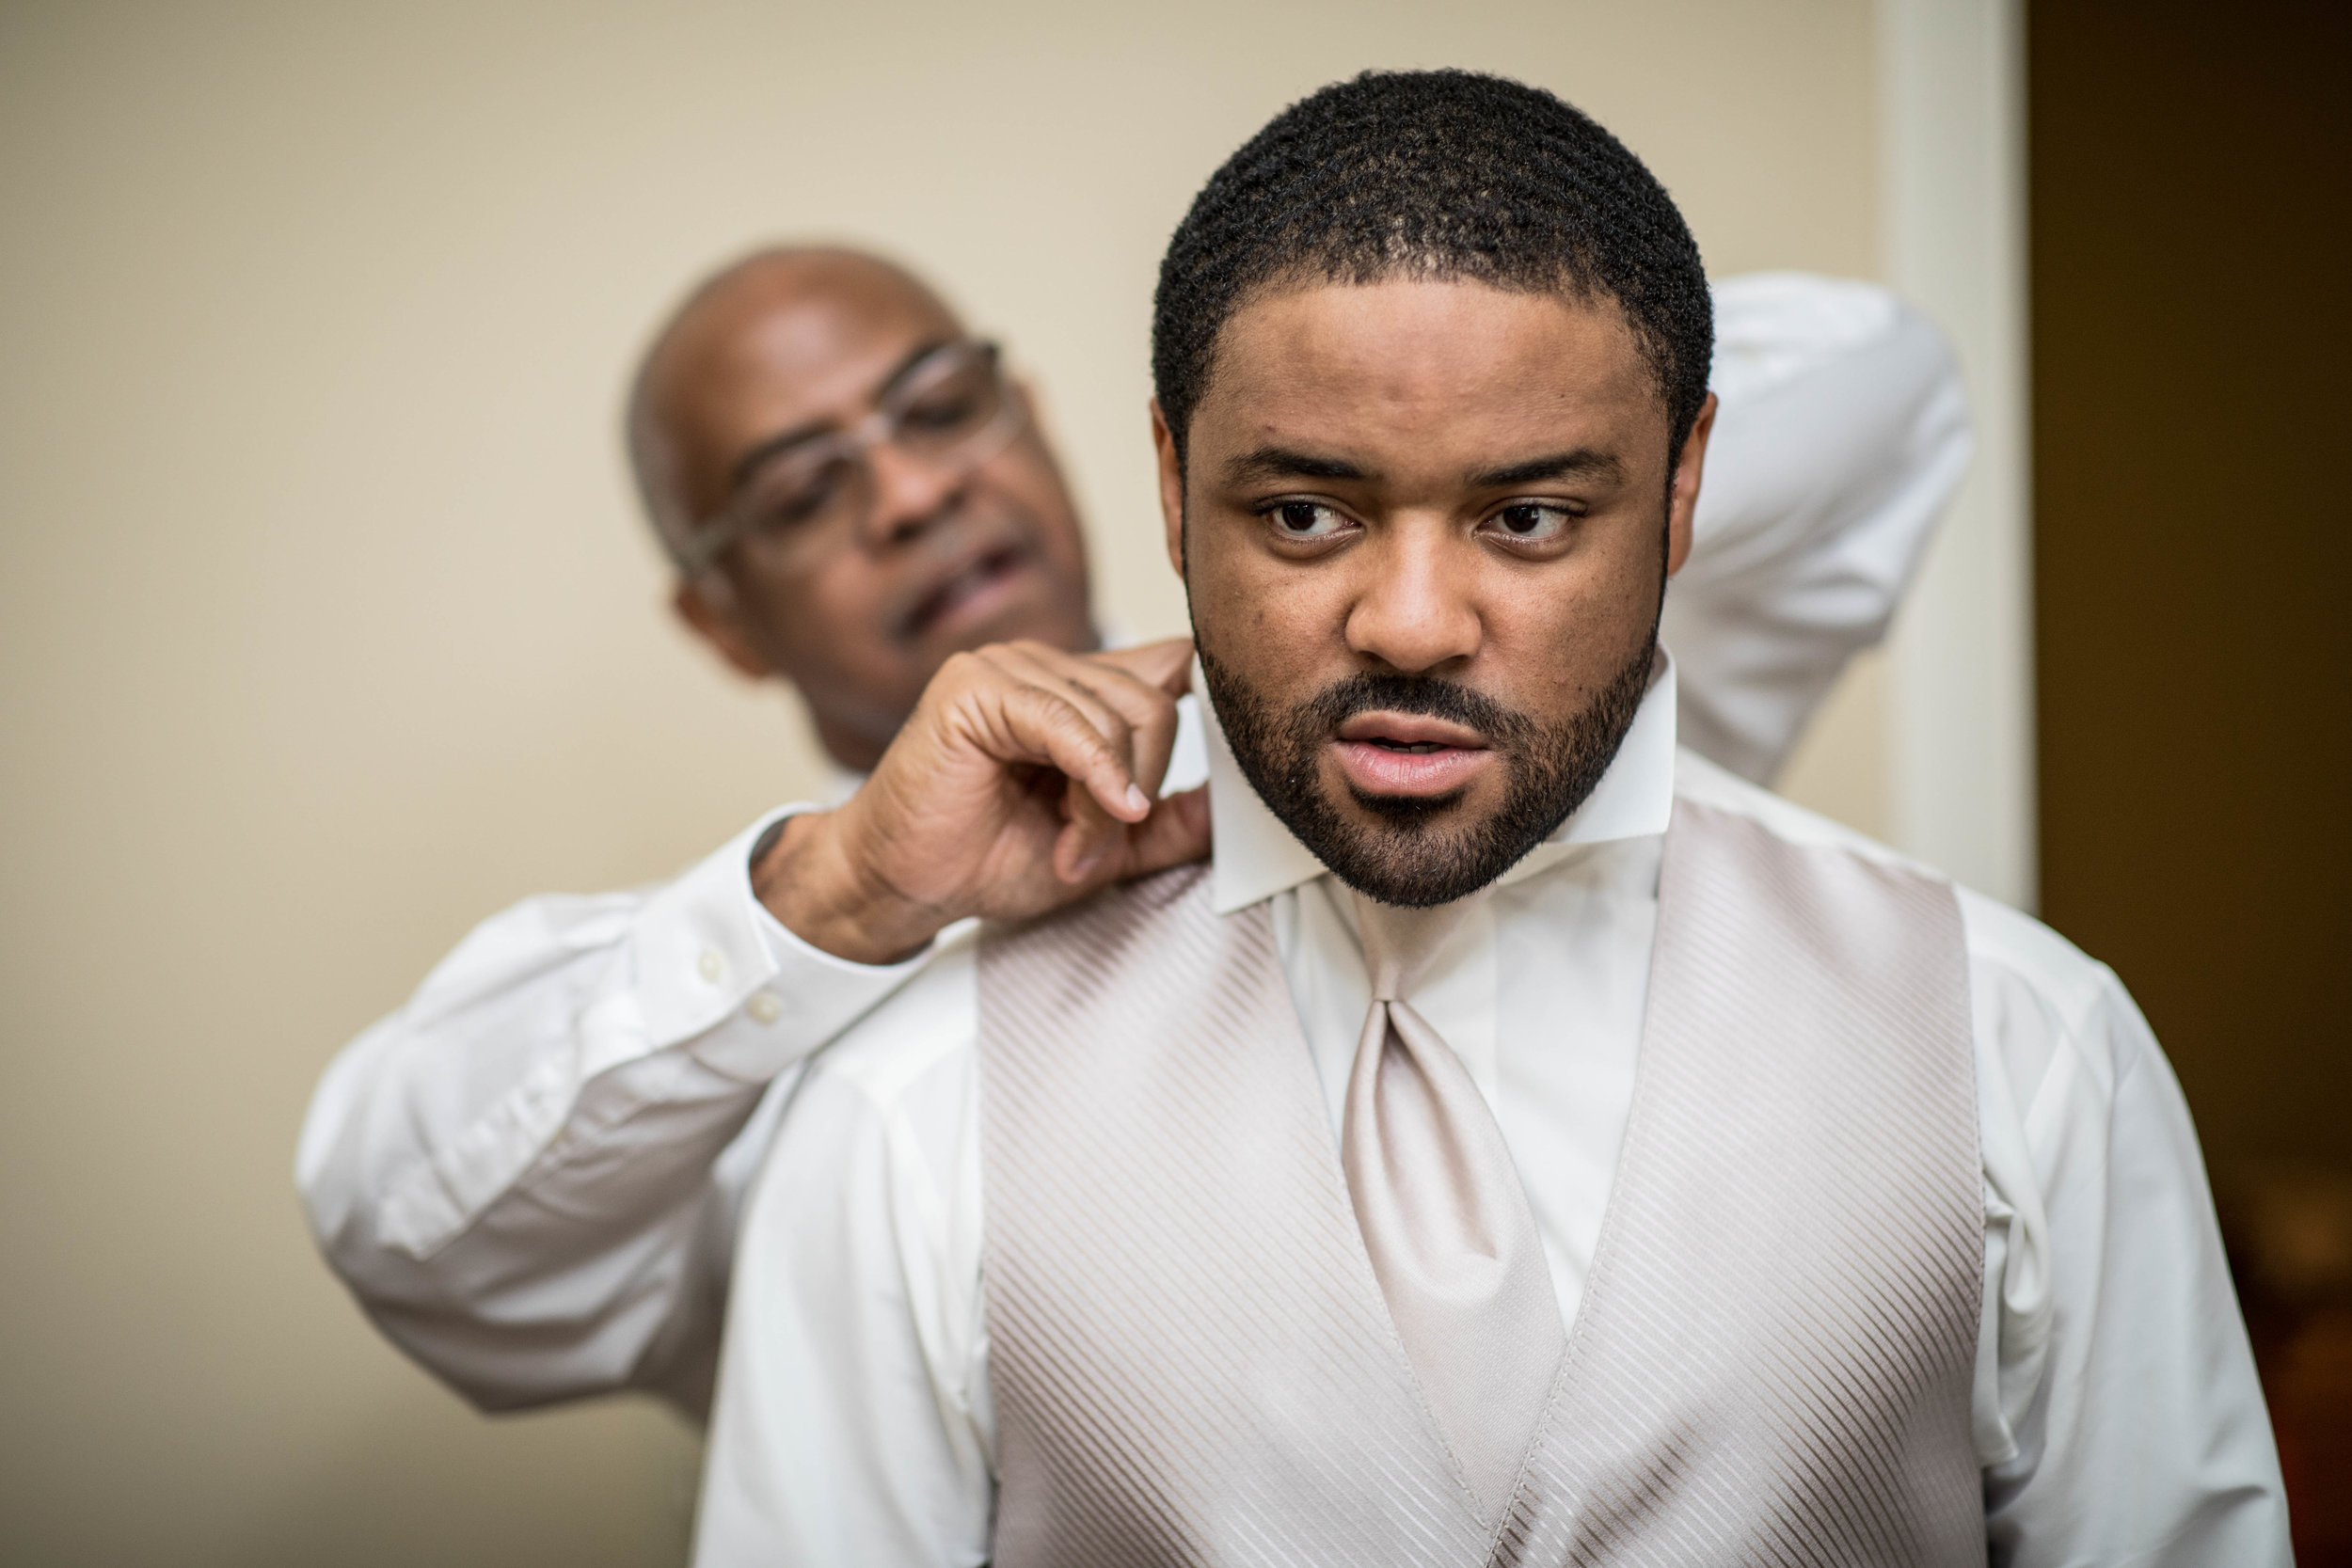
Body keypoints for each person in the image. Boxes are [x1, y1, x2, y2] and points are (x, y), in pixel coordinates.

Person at [673, 71, 2287, 1565]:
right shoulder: (906, 1116)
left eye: (1528, 517)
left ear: (1682, 489)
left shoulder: (2023, 1045)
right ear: (1170, 485)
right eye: (1305, 513)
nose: (1414, 623)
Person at [300, 252, 1975, 1404]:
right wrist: (842, 888)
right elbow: (405, 1229)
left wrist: (1434, 501)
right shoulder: (761, 1051)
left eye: (941, 405)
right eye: (804, 492)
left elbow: (1892, 385)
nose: (909, 493)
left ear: (1058, 417)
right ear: (724, 623)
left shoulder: (1537, 715)